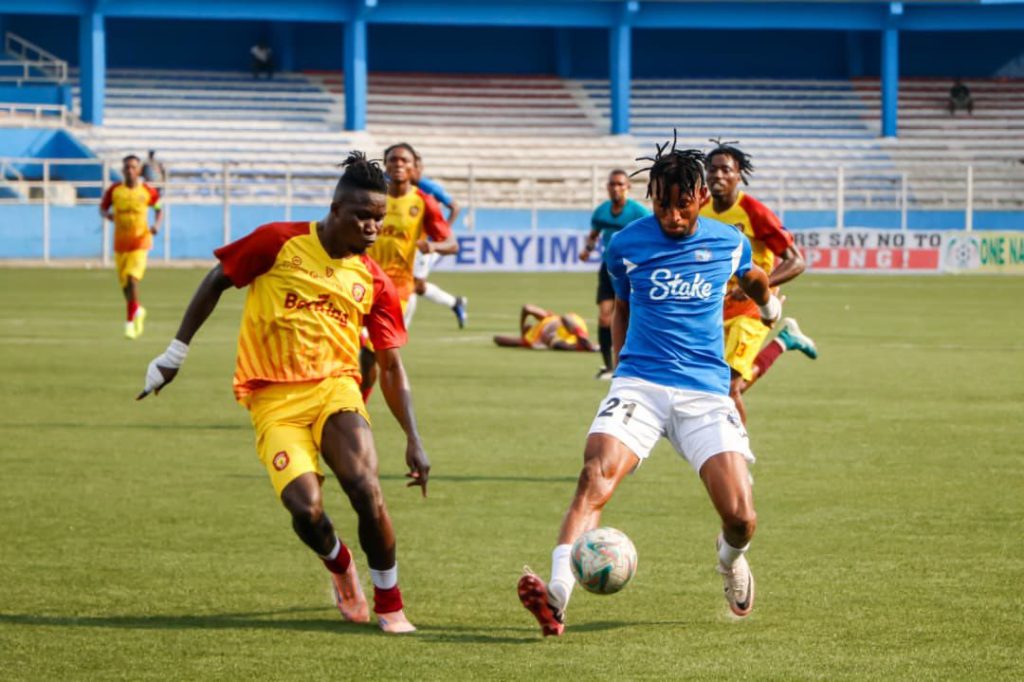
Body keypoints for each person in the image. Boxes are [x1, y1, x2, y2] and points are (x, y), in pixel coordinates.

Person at [136, 152, 429, 634]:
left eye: (379, 218)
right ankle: (339, 565)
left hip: (335, 388)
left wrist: (413, 438)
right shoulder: (278, 242)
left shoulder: (373, 279)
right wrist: (174, 353)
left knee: (365, 487)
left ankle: (390, 603)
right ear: (335, 209)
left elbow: (392, 365)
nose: (373, 227)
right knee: (306, 510)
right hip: (273, 398)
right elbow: (217, 280)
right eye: (363, 216)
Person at [517, 140, 783, 637]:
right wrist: (621, 372)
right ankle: (556, 595)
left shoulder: (729, 242)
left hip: (705, 393)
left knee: (742, 518)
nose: (672, 216)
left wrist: (769, 308)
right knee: (594, 476)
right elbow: (622, 306)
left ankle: (729, 560)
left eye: (682, 205)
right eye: (662, 204)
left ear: (701, 198)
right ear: (651, 197)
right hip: (640, 385)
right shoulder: (626, 245)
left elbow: (753, 278)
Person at [700, 141, 816, 424]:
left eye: (726, 170)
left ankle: (738, 451)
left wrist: (758, 286)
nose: (718, 175)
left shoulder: (754, 212)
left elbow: (796, 261)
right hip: (717, 309)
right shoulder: (701, 210)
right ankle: (784, 342)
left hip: (753, 310)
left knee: (728, 388)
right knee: (717, 386)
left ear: (738, 175)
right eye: (712, 169)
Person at [361, 142, 458, 395]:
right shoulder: (371, 197)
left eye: (405, 160)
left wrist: (432, 246)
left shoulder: (424, 201)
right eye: (393, 159)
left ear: (414, 167)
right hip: (361, 282)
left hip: (396, 290)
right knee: (354, 352)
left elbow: (452, 244)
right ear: (385, 164)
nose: (399, 164)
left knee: (370, 353)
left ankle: (359, 408)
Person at [578, 170, 650, 380]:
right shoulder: (601, 212)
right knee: (604, 316)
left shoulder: (638, 212)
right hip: (609, 267)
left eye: (620, 184)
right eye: (612, 184)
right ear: (608, 187)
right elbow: (594, 235)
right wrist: (587, 250)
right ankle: (609, 366)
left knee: (630, 316)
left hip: (632, 269)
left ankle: (631, 363)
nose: (616, 188)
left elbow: (651, 234)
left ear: (628, 187)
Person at [100, 154, 163, 339]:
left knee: (132, 279)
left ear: (139, 170)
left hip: (140, 242)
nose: (130, 170)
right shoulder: (115, 190)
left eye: (133, 167)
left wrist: (156, 225)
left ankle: (129, 322)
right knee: (125, 286)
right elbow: (103, 207)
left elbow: (158, 208)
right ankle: (138, 310)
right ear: (122, 169)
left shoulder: (147, 191)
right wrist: (108, 215)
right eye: (127, 167)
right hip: (120, 244)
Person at [409, 153, 468, 328]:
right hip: (406, 242)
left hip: (424, 244)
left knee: (412, 285)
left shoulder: (428, 186)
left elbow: (455, 206)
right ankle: (455, 303)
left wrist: (443, 233)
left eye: (416, 166)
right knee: (417, 286)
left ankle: (396, 329)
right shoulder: (395, 185)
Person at [493, 304, 598, 352]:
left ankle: (585, 343)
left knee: (566, 318)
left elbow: (527, 308)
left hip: (572, 326)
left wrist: (522, 331)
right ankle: (584, 346)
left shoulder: (546, 318)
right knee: (556, 344)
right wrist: (523, 338)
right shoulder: (528, 340)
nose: (528, 325)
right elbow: (497, 339)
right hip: (564, 339)